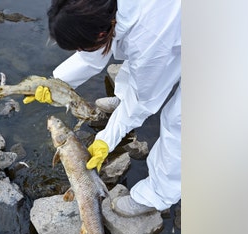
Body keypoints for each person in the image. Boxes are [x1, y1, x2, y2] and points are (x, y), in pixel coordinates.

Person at [26, 0, 181, 216]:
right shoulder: (101, 9)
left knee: (179, 121)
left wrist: (105, 141)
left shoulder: (148, 38)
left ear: (100, 34)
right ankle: (121, 101)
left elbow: (143, 100)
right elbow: (93, 52)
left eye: (79, 46)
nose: (80, 50)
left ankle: (158, 195)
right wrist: (57, 83)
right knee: (136, 70)